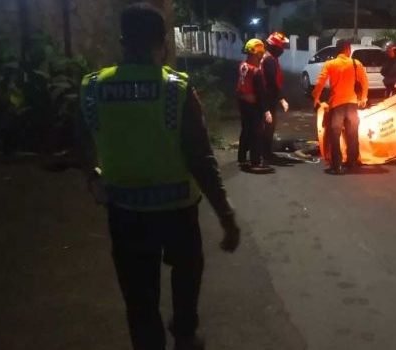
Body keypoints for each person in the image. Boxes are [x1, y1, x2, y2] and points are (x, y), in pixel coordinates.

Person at [74, 3, 240, 350]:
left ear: (122, 41)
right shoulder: (175, 88)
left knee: (139, 296)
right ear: (161, 44)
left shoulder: (92, 88)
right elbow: (201, 158)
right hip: (178, 210)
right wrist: (225, 214)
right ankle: (184, 333)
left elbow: (79, 142)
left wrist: (94, 177)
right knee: (187, 272)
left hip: (125, 213)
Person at [312, 39, 368, 175]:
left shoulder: (330, 64)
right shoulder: (356, 63)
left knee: (335, 135)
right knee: (352, 134)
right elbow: (364, 82)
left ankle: (337, 166)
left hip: (337, 105)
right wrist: (363, 98)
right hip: (352, 104)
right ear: (347, 49)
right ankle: (352, 162)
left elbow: (320, 83)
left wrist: (316, 98)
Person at [236, 38, 275, 173]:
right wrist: (266, 111)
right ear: (255, 53)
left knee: (245, 131)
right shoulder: (256, 71)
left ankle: (241, 157)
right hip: (253, 105)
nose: (261, 54)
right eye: (260, 52)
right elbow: (261, 93)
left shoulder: (243, 65)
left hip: (243, 103)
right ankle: (255, 162)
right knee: (256, 134)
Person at [261, 31, 290, 163]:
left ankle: (265, 152)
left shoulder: (270, 58)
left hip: (267, 96)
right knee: (268, 126)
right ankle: (265, 154)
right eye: (281, 47)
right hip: (267, 97)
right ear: (275, 47)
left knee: (268, 126)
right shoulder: (269, 60)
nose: (282, 50)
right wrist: (282, 98)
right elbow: (272, 82)